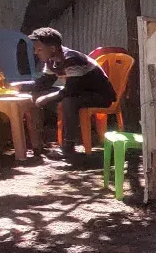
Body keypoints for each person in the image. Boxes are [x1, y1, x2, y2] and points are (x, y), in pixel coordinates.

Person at [26, 27, 116, 164]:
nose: (36, 53)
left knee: (69, 101)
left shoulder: (72, 59)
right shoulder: (52, 61)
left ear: (52, 48)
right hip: (80, 93)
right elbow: (44, 83)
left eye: (39, 50)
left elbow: (70, 90)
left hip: (100, 95)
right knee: (41, 93)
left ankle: (68, 147)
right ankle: (38, 142)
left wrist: (47, 98)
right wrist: (21, 86)